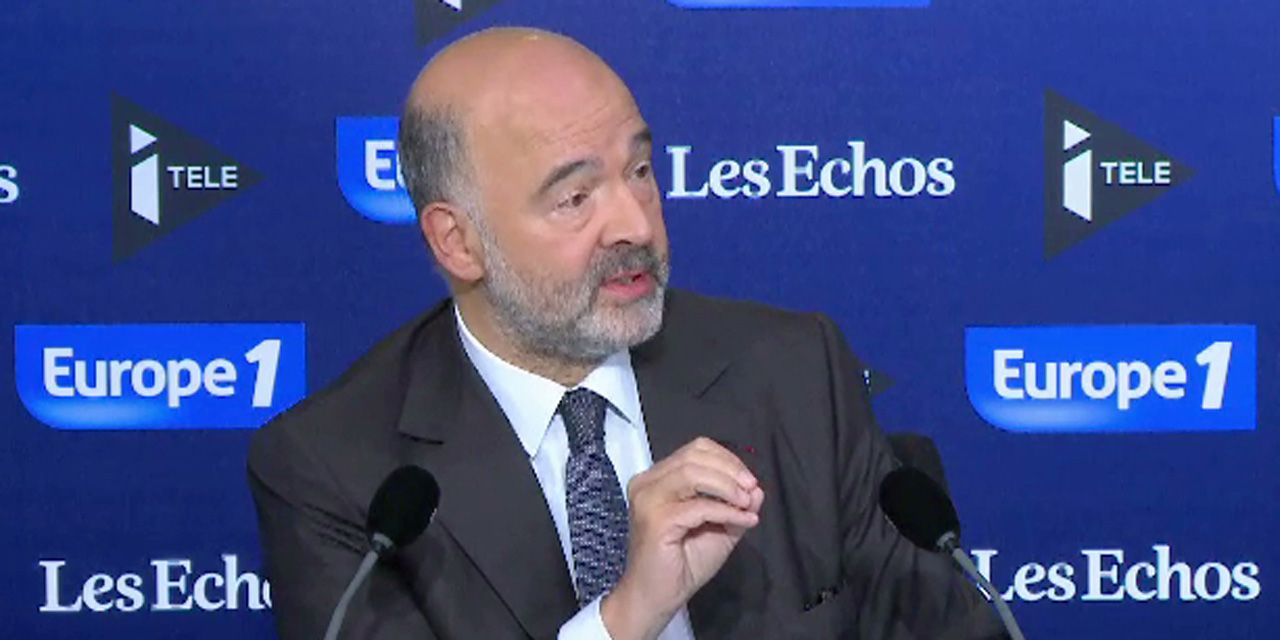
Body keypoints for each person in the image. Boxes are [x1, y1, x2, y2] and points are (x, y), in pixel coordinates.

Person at [247, 27, 1004, 640]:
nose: (635, 225)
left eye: (640, 171)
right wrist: (626, 618)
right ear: (458, 242)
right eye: (575, 198)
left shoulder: (795, 372)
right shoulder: (337, 470)